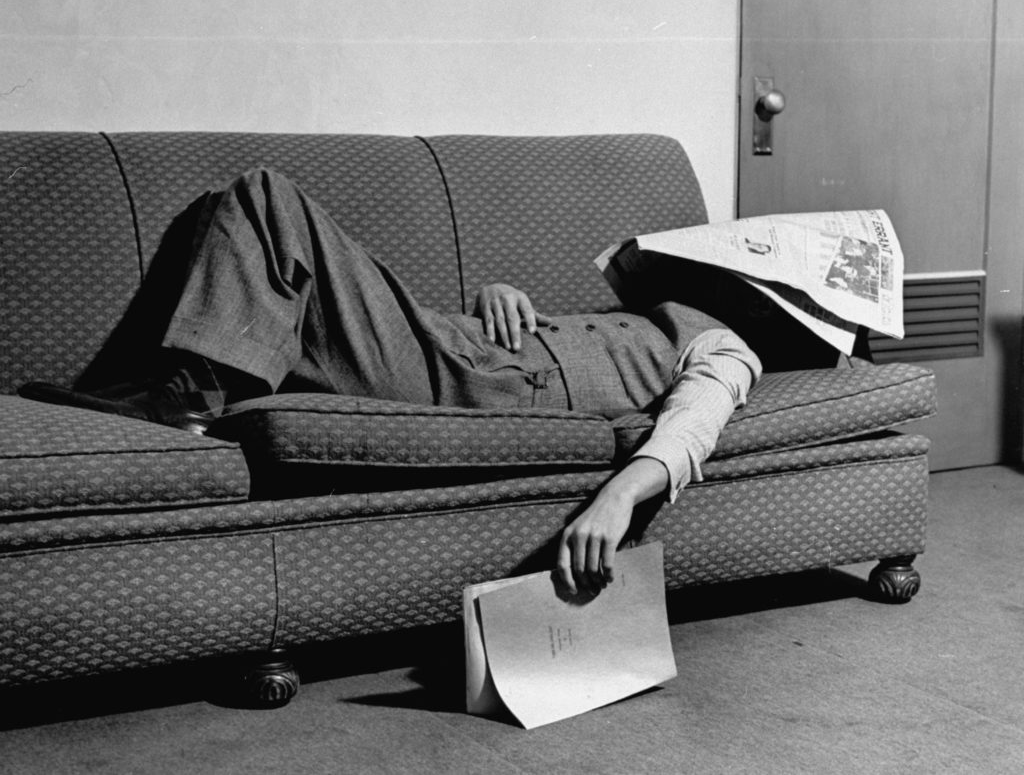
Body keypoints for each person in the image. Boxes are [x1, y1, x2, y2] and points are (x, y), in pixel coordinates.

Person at [21, 169, 762, 596]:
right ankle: (183, 389)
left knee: (267, 196)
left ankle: (186, 396)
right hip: (465, 349)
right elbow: (541, 339)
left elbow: (693, 425)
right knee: (236, 211)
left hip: (488, 381)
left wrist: (617, 498)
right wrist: (497, 295)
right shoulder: (646, 310)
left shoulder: (728, 348)